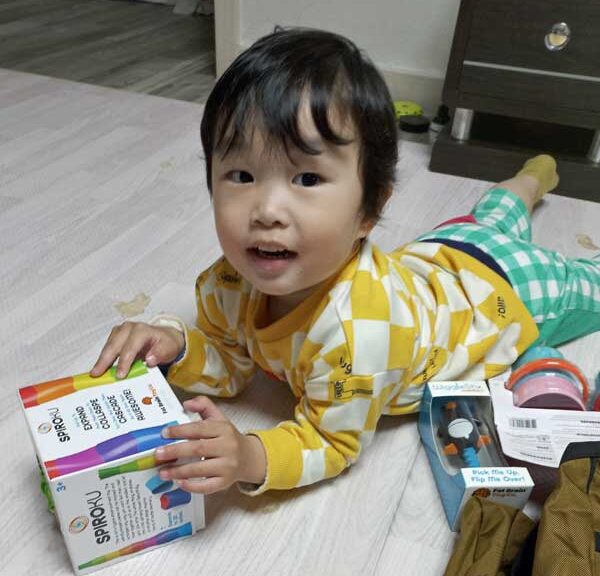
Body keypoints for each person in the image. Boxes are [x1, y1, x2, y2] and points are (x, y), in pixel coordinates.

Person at [90, 28, 600, 496]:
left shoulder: (357, 340)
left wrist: (251, 454)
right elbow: (233, 361)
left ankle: (532, 181)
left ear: (369, 212)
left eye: (306, 179)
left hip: (508, 293)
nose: (266, 211)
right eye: (241, 175)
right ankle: (532, 177)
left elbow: (331, 443)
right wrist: (177, 347)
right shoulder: (226, 281)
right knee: (494, 212)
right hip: (440, 251)